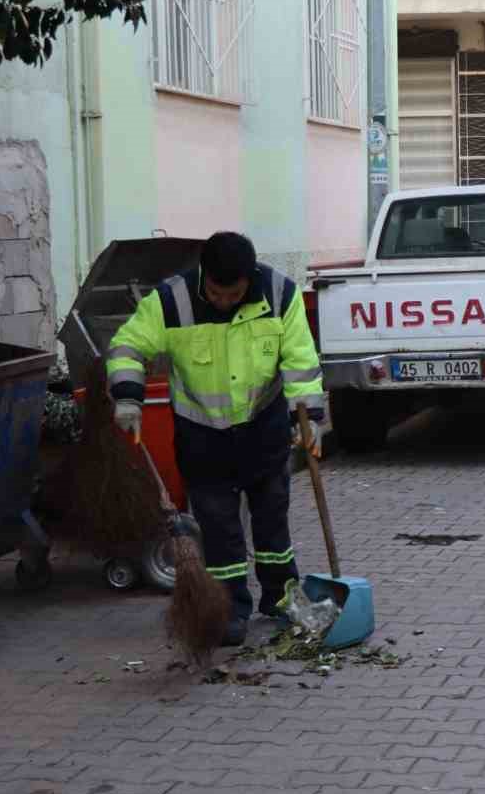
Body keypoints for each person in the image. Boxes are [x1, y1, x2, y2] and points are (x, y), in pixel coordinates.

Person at [106, 232, 326, 645]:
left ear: (251, 279)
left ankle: (281, 598)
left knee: (272, 522)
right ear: (204, 276)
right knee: (220, 529)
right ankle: (228, 608)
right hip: (202, 436)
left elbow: (300, 361)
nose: (224, 301)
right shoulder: (171, 301)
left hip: (263, 428)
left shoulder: (281, 295)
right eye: (216, 293)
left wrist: (310, 417)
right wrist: (128, 398)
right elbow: (126, 347)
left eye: (234, 293)